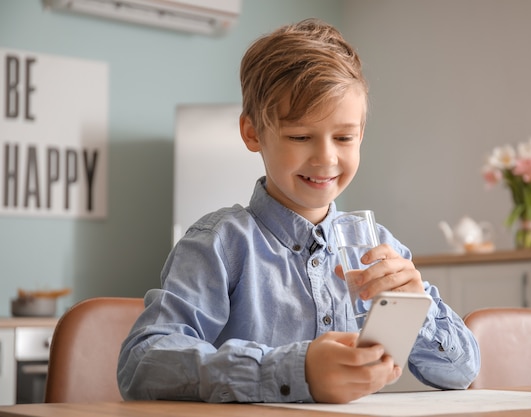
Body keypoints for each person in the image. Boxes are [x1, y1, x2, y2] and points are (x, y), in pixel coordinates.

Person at [117, 18, 480, 404]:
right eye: (300, 136)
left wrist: (418, 305)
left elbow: (462, 373)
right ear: (253, 133)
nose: (326, 157)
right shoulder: (219, 244)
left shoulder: (381, 250)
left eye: (344, 137)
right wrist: (296, 370)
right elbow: (142, 364)